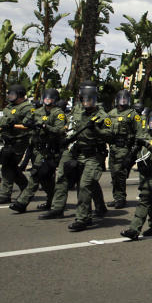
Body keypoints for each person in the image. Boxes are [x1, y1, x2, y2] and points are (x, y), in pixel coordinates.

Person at [40, 82, 110, 226]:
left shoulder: (102, 115)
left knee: (86, 184)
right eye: (83, 97)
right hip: (74, 149)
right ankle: (57, 208)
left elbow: (110, 135)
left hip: (93, 153)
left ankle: (84, 216)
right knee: (63, 176)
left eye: (88, 98)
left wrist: (96, 129)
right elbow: (69, 126)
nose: (85, 100)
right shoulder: (78, 109)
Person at [10, 89, 66, 212]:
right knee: (45, 178)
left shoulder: (58, 113)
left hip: (49, 149)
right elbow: (26, 121)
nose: (47, 100)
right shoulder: (38, 111)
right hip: (36, 148)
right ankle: (52, 199)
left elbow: (60, 130)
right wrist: (29, 122)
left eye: (50, 98)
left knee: (35, 174)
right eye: (46, 98)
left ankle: (22, 202)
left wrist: (45, 126)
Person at [120, 111, 152, 241]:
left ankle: (134, 229)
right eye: (151, 121)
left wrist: (147, 145)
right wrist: (127, 161)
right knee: (151, 202)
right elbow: (136, 153)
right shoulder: (145, 135)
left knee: (144, 200)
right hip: (145, 174)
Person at [0, 83, 32, 203]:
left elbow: (27, 125)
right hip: (8, 140)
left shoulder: (27, 108)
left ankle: (5, 194)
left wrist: (14, 125)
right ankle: (26, 187)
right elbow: (2, 123)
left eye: (12, 94)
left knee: (8, 166)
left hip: (19, 141)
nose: (10, 96)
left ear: (19, 95)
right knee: (10, 166)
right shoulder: (8, 107)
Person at [108, 89, 141, 209]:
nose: (123, 101)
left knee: (119, 173)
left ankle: (121, 198)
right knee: (113, 174)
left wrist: (134, 149)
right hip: (113, 147)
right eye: (121, 99)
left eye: (125, 99)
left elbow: (140, 132)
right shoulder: (111, 113)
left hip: (124, 147)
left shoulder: (132, 114)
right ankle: (116, 197)